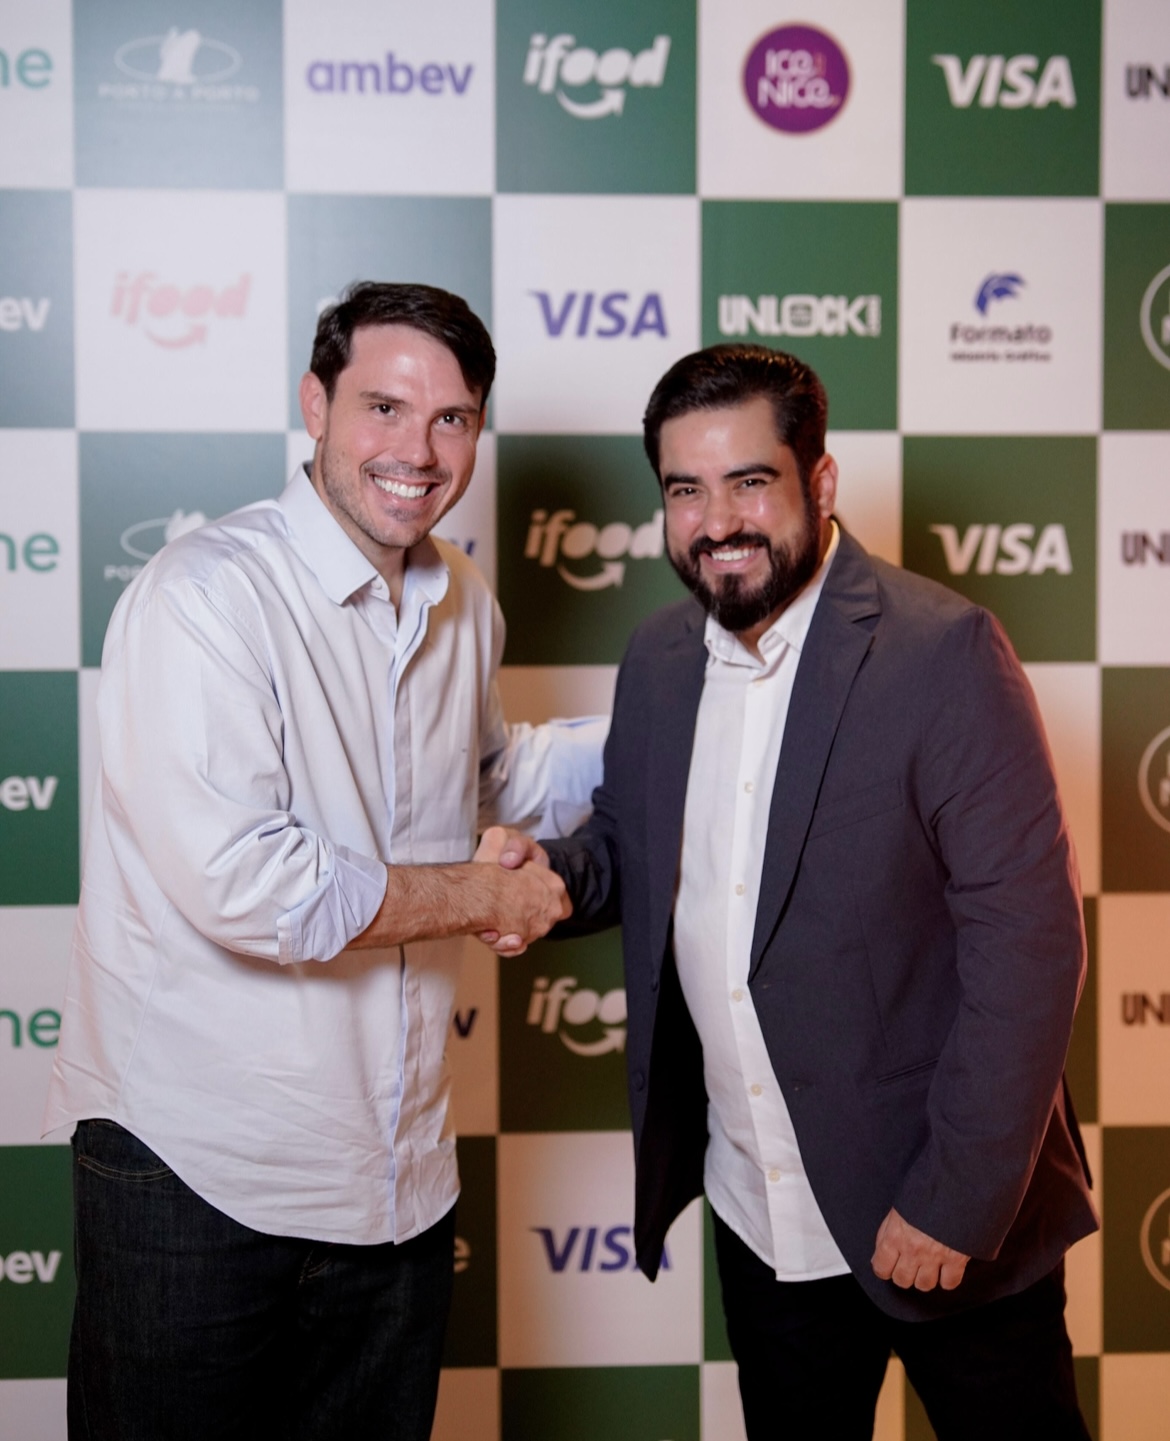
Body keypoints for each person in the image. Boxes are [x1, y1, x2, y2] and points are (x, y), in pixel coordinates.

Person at [484, 344, 1098, 1439]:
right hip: (761, 1212)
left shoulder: (944, 652)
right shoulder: (659, 656)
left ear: (819, 480)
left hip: (940, 1206)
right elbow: (634, 843)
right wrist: (554, 880)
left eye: (749, 481)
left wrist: (954, 1200)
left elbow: (1032, 945)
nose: (717, 521)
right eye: (685, 490)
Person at [45, 281, 601, 1441]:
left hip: (395, 1188)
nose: (418, 450)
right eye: (384, 408)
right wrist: (480, 893)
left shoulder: (464, 601)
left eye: (452, 419)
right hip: (199, 1175)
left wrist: (688, 714)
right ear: (315, 404)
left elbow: (491, 779)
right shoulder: (206, 595)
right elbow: (247, 883)